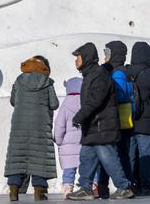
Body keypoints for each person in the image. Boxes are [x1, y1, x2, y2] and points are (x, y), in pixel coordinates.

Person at [66, 42, 134, 201]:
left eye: (78, 57)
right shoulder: (91, 75)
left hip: (102, 126)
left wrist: (80, 116)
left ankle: (123, 187)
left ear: (87, 58)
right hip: (94, 127)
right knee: (86, 158)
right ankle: (85, 188)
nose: (76, 61)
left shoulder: (98, 75)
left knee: (108, 158)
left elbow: (95, 100)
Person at [4, 56, 58, 201]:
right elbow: (54, 104)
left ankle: (14, 190)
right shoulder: (47, 82)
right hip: (40, 125)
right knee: (39, 158)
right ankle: (39, 191)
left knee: (17, 157)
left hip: (19, 125)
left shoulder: (19, 80)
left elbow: (13, 101)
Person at [125, 41, 150, 195]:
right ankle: (146, 186)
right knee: (145, 155)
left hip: (128, 120)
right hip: (146, 122)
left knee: (129, 155)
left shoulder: (126, 71)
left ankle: (128, 185)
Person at [103, 41, 133, 185]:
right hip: (120, 119)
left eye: (107, 54)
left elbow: (121, 95)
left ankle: (127, 183)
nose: (104, 57)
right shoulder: (117, 71)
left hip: (120, 120)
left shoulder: (118, 72)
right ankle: (128, 182)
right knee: (121, 153)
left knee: (120, 153)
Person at [54, 77, 83, 197]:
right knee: (88, 167)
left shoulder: (65, 104)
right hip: (84, 143)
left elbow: (59, 126)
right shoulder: (86, 102)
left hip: (68, 145)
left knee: (69, 170)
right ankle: (93, 185)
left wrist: (59, 141)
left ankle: (67, 188)